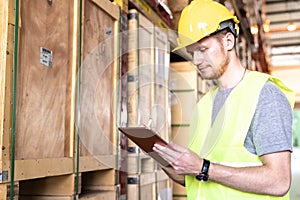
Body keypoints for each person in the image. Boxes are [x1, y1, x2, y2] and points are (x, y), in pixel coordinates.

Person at [153, 0, 295, 199]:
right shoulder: (204, 105)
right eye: (192, 52)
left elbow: (279, 181)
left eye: (203, 50)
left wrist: (203, 167)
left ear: (229, 41)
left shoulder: (265, 95)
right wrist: (159, 154)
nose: (196, 61)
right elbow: (194, 178)